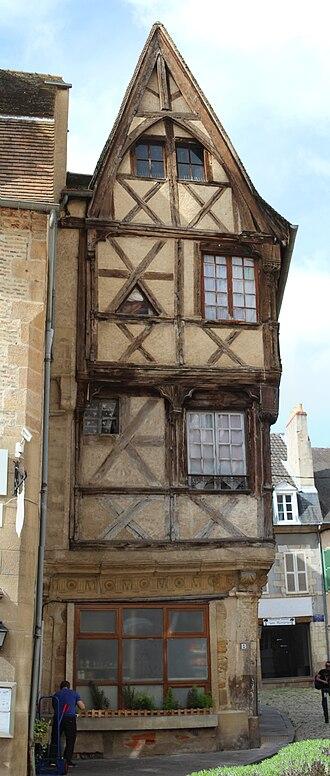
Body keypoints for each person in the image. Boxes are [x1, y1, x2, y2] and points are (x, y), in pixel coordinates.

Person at [51, 680, 85, 767]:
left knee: (55, 738)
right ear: (69, 686)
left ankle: (54, 760)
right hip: (70, 718)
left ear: (61, 687)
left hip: (58, 718)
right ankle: (67, 761)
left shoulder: (56, 694)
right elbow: (82, 707)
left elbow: (54, 707)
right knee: (70, 739)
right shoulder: (74, 693)